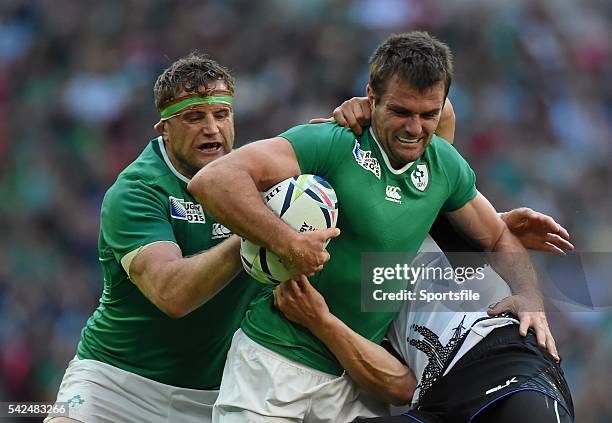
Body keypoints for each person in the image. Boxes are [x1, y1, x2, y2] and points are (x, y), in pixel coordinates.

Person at [189, 31, 558, 422]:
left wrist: (529, 296)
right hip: (275, 365)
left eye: (427, 114)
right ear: (371, 97)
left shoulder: (444, 166)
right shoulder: (334, 143)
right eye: (401, 111)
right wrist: (289, 242)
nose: (415, 128)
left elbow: (497, 235)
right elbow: (213, 181)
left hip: (360, 381)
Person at [45, 53, 264, 423]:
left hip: (220, 393)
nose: (211, 128)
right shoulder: (135, 190)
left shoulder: (260, 175)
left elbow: (335, 151)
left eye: (221, 115)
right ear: (164, 128)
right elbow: (172, 294)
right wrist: (259, 232)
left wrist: (355, 117)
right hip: (115, 384)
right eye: (194, 117)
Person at [275, 211, 575, 422]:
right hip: (434, 402)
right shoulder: (347, 305)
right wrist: (321, 321)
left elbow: (440, 127)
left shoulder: (430, 215)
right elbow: (400, 387)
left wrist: (529, 294)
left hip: (499, 360)